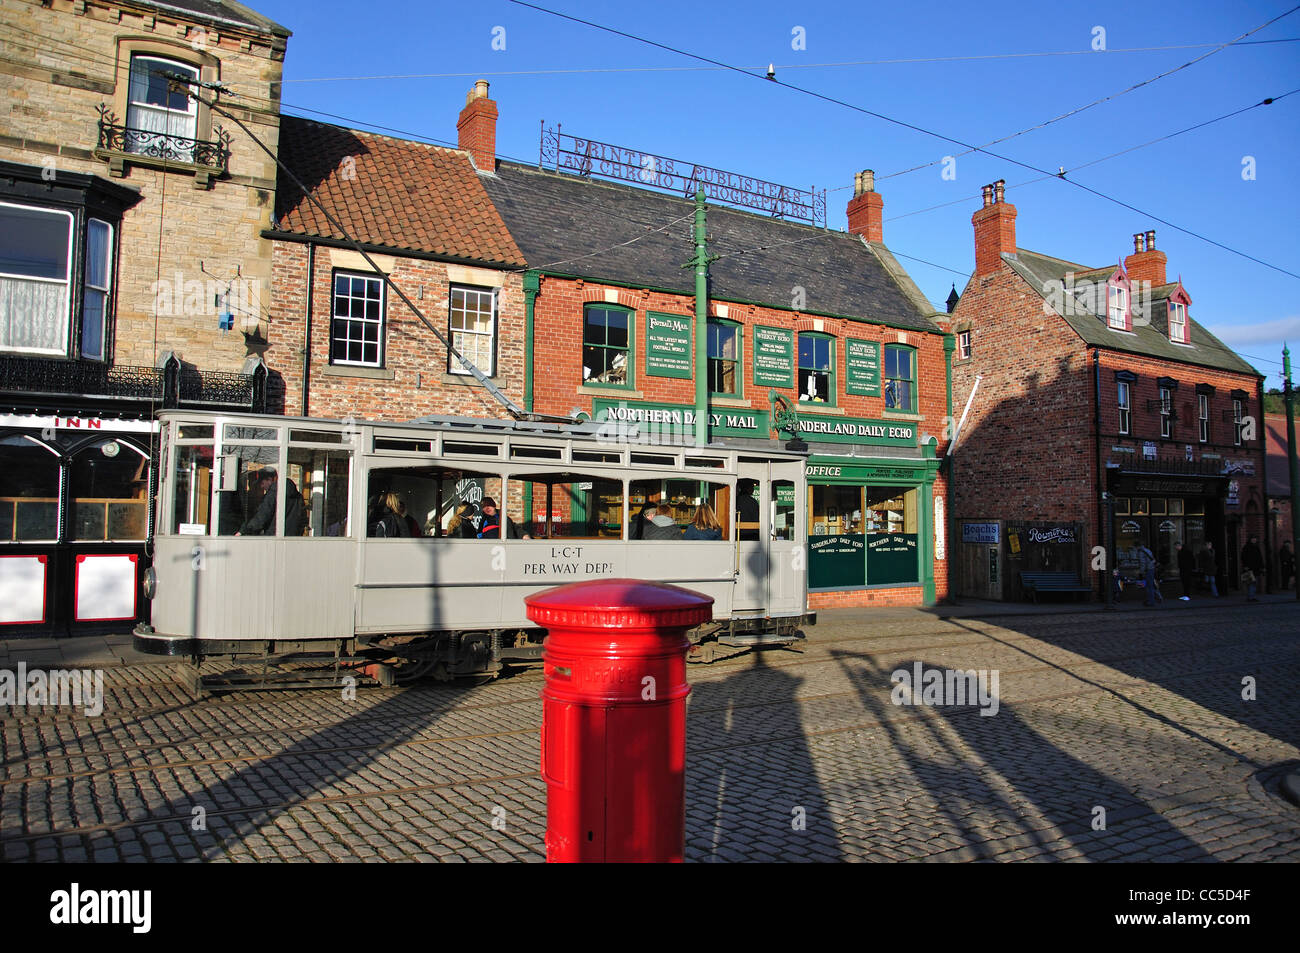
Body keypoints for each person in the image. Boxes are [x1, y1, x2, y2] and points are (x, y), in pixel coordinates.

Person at [236, 468, 305, 537]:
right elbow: (303, 519)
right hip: (294, 539)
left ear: (269, 480)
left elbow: (262, 516)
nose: (261, 486)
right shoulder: (298, 497)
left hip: (274, 539)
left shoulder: (273, 492)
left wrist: (243, 531)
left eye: (262, 483)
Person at [1240, 535, 1264, 601]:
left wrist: (1262, 567)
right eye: (1253, 539)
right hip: (1249, 568)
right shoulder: (1247, 547)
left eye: (1255, 539)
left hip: (1255, 568)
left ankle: (1250, 596)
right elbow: (1243, 557)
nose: (1254, 540)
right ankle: (1251, 597)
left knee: (1252, 582)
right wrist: (1245, 566)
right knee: (1251, 582)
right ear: (1250, 539)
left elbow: (1260, 558)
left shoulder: (1256, 547)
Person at [1137, 542, 1161, 606]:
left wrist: (1141, 572)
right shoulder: (1147, 550)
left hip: (1147, 570)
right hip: (1151, 568)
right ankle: (1153, 599)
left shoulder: (1141, 552)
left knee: (1148, 586)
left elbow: (1143, 563)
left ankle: (1150, 601)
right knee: (1151, 585)